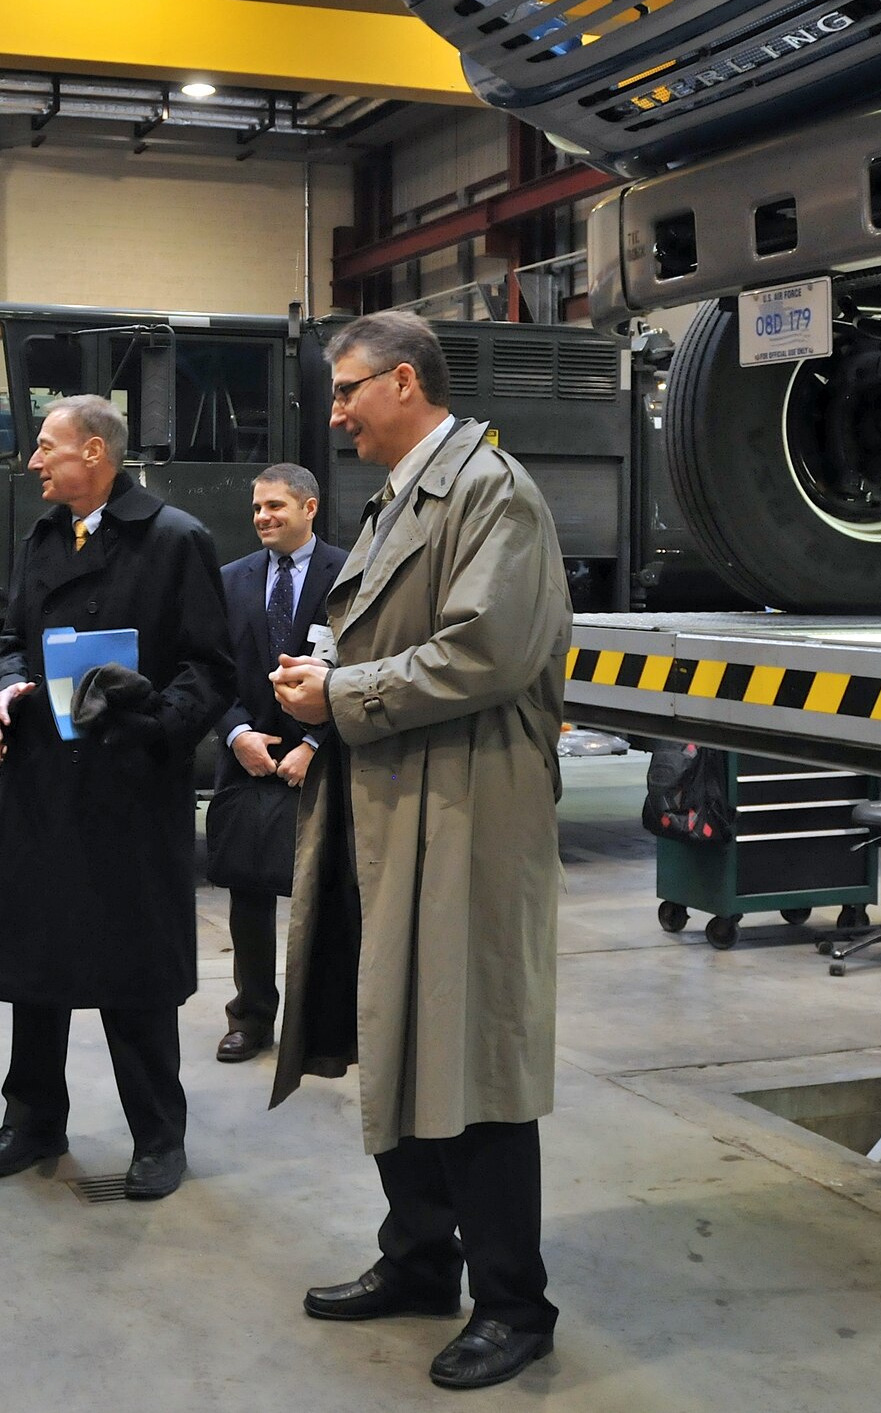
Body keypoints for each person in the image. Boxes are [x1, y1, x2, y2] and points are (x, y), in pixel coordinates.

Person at [269, 311, 571, 1391]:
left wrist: (341, 692)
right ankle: (415, 1261)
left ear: (404, 381)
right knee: (393, 1030)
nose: (335, 410)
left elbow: (484, 650)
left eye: (348, 390)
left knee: (470, 1051)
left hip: (465, 814)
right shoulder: (408, 494)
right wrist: (324, 686)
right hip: (390, 800)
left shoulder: (492, 493)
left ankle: (513, 1303)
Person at [0, 395, 233, 1201]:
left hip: (129, 789)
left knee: (134, 972)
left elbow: (212, 671)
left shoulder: (176, 540)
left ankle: (158, 1135)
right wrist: (7, 688)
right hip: (45, 788)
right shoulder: (42, 537)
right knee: (34, 961)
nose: (35, 462)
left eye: (46, 448)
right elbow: (12, 642)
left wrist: (153, 713)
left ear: (94, 453)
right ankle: (32, 1117)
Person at [209, 464, 347, 1062]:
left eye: (277, 507)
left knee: (325, 895)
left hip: (325, 758)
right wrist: (237, 733)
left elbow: (365, 663)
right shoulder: (230, 579)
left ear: (309, 508)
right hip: (248, 761)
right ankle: (251, 1016)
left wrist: (314, 744)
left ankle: (320, 1020)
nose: (264, 517)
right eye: (258, 508)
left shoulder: (348, 575)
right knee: (248, 893)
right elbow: (211, 669)